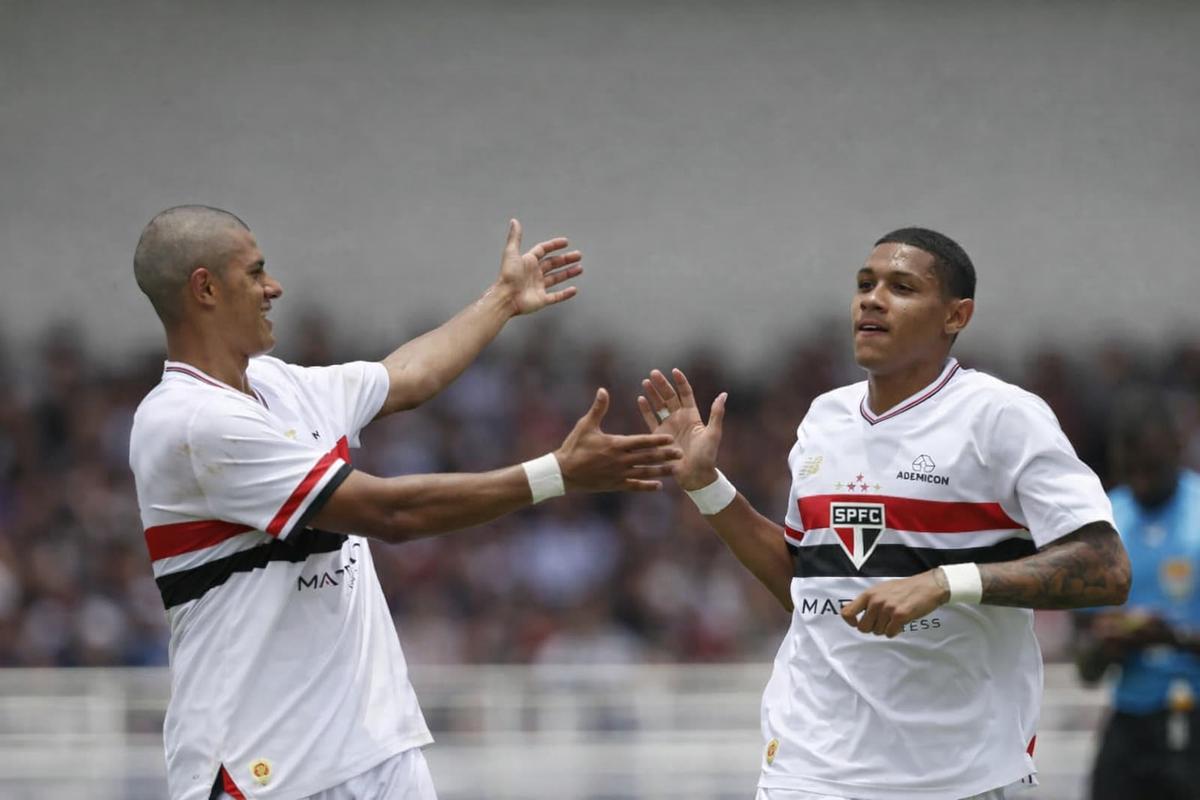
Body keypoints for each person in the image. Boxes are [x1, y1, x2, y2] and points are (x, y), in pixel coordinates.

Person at [127, 205, 681, 800]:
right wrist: (557, 476)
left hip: (375, 753)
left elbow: (407, 376)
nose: (274, 287)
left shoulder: (280, 386)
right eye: (256, 272)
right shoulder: (189, 421)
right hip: (261, 769)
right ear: (204, 287)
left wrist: (501, 300)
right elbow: (390, 513)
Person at [637, 227, 1132, 800]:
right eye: (864, 284)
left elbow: (1106, 568)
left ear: (956, 315)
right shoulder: (825, 417)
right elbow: (808, 586)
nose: (872, 299)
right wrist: (705, 487)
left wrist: (946, 583)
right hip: (808, 768)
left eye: (901, 287)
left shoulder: (1003, 418)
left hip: (960, 775)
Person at [1074, 389, 1200, 800]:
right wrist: (1107, 644)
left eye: (1152, 467)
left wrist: (1171, 637)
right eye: (1132, 471)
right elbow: (1087, 669)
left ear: (1177, 447)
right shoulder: (1107, 520)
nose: (1141, 481)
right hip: (1129, 720)